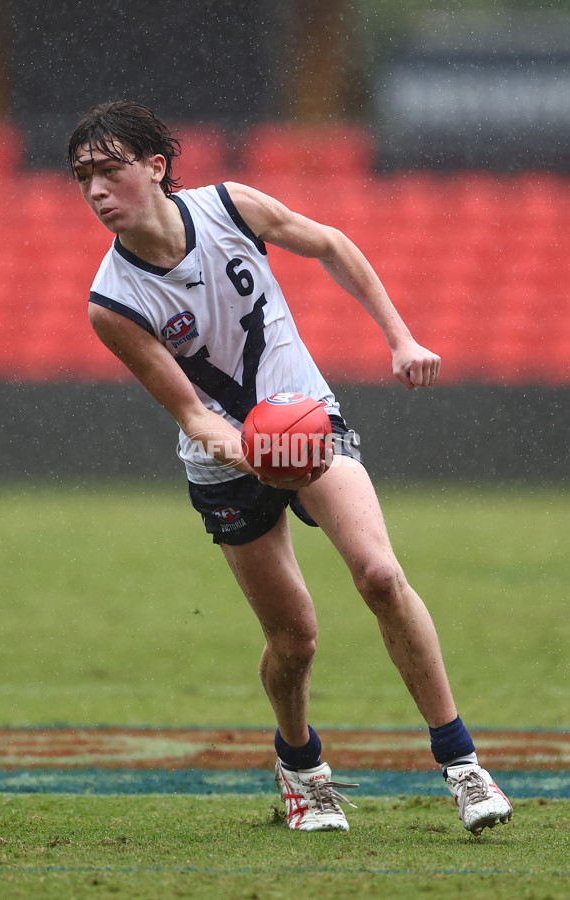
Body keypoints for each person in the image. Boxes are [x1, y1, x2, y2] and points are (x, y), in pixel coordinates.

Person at [67, 101, 512, 835]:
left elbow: (331, 243)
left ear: (156, 167)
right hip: (226, 462)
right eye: (83, 177)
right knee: (295, 640)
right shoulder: (112, 302)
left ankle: (463, 767)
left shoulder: (231, 207)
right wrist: (257, 455)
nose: (96, 190)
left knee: (379, 575)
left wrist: (400, 337)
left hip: (308, 423)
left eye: (110, 170)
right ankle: (302, 768)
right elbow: (194, 416)